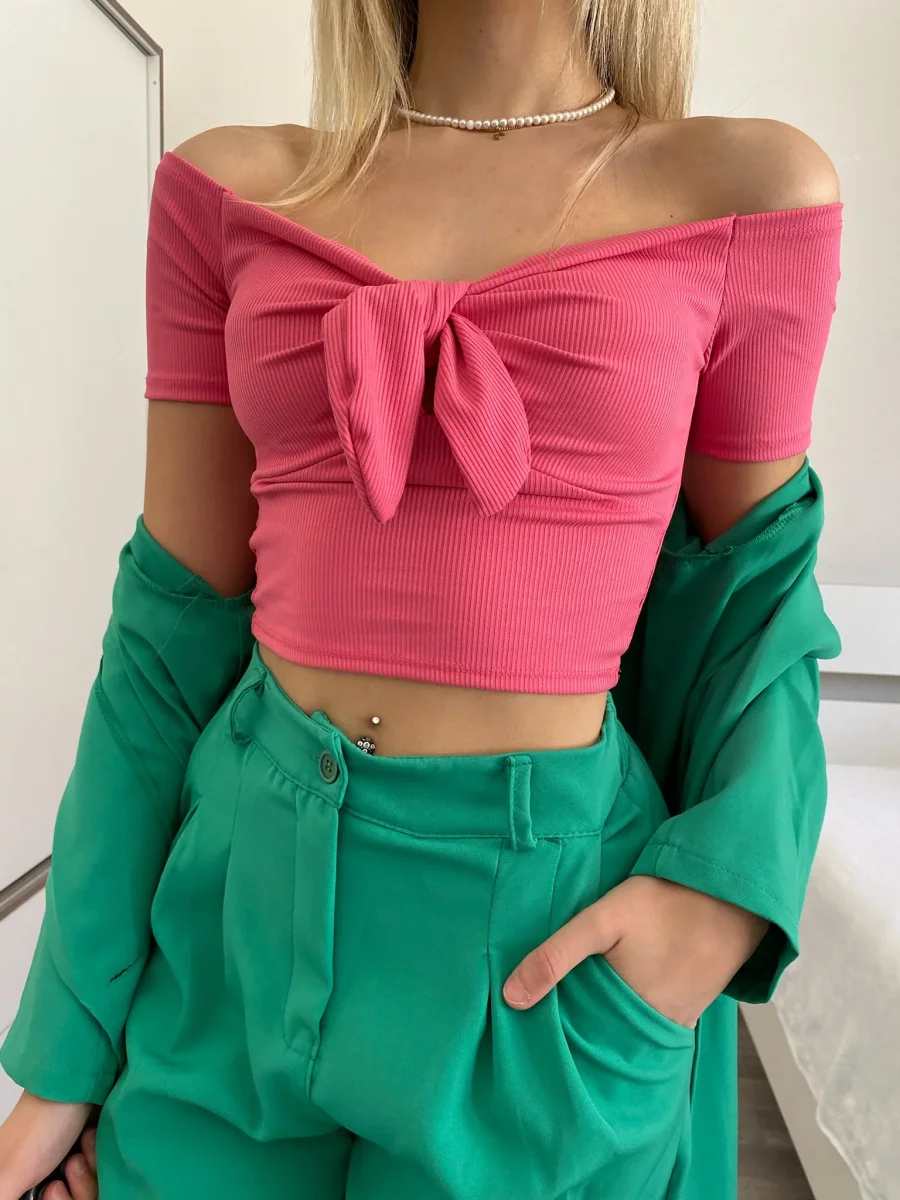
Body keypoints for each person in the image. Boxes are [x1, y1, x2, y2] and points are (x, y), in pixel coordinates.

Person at [0, 0, 843, 1196]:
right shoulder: (225, 192)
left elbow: (752, 605)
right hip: (234, 931)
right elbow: (165, 634)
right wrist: (63, 1051)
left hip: (539, 970)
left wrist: (715, 909)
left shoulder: (746, 194)